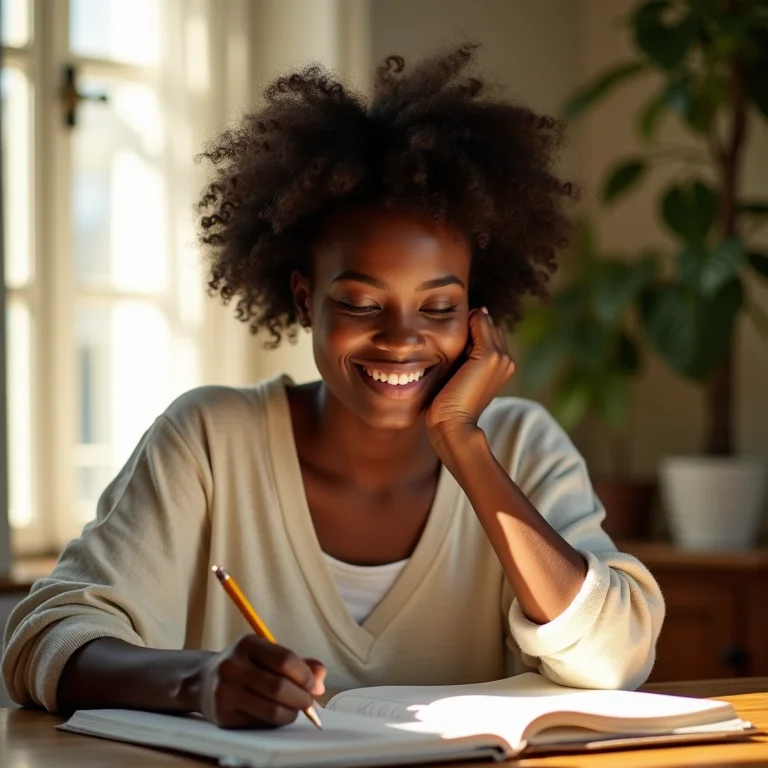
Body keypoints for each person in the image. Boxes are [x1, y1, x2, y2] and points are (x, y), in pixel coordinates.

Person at [2, 44, 664, 730]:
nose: (402, 338)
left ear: (477, 313)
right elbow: (39, 645)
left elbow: (615, 659)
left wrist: (465, 447)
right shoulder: (208, 441)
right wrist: (196, 682)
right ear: (302, 298)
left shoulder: (523, 445)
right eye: (359, 303)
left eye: (437, 308)